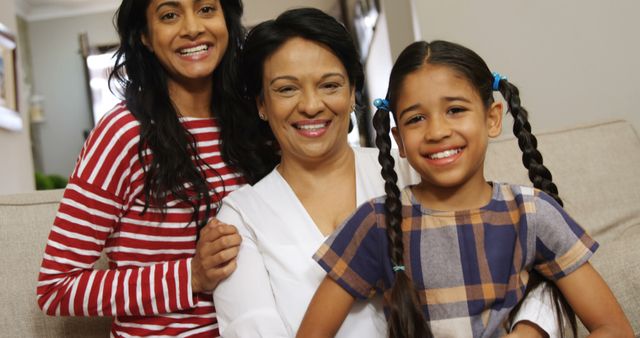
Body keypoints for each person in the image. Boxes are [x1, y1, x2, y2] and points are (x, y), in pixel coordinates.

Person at [213, 8, 562, 338]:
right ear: (261, 103)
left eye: (330, 85)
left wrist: (531, 328)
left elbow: (532, 247)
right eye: (286, 88)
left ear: (353, 94)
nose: (310, 105)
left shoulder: (415, 169)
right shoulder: (242, 217)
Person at [297, 40, 634, 337]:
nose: (437, 131)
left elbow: (614, 329)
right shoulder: (378, 221)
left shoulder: (533, 213)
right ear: (398, 140)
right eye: (416, 118)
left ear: (492, 118)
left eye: (455, 110)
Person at [35, 0, 264, 336]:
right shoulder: (122, 133)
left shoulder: (255, 123)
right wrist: (191, 276)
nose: (192, 28)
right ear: (145, 35)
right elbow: (56, 289)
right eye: (169, 15)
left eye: (206, 9)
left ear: (227, 21)